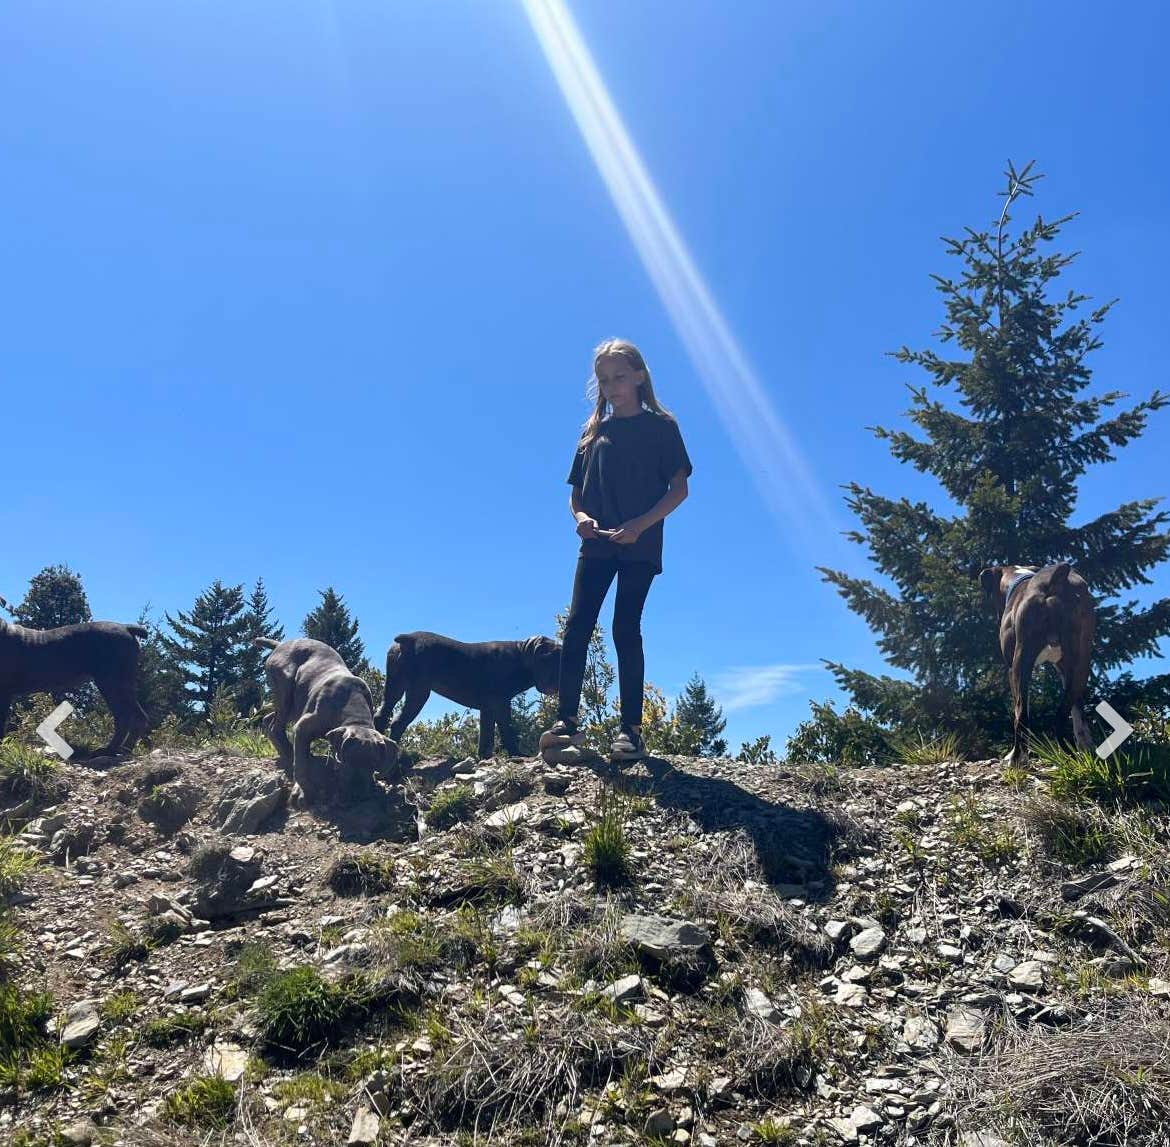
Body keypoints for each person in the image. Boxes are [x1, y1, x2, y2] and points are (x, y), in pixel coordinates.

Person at [540, 338, 692, 764]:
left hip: (640, 545)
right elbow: (576, 496)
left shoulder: (662, 427)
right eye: (604, 379)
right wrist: (581, 519)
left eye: (620, 377)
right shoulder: (594, 433)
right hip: (596, 544)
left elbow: (679, 489)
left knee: (626, 627)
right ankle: (567, 721)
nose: (611, 385)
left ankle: (631, 731)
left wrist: (640, 526)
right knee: (577, 626)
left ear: (640, 376)